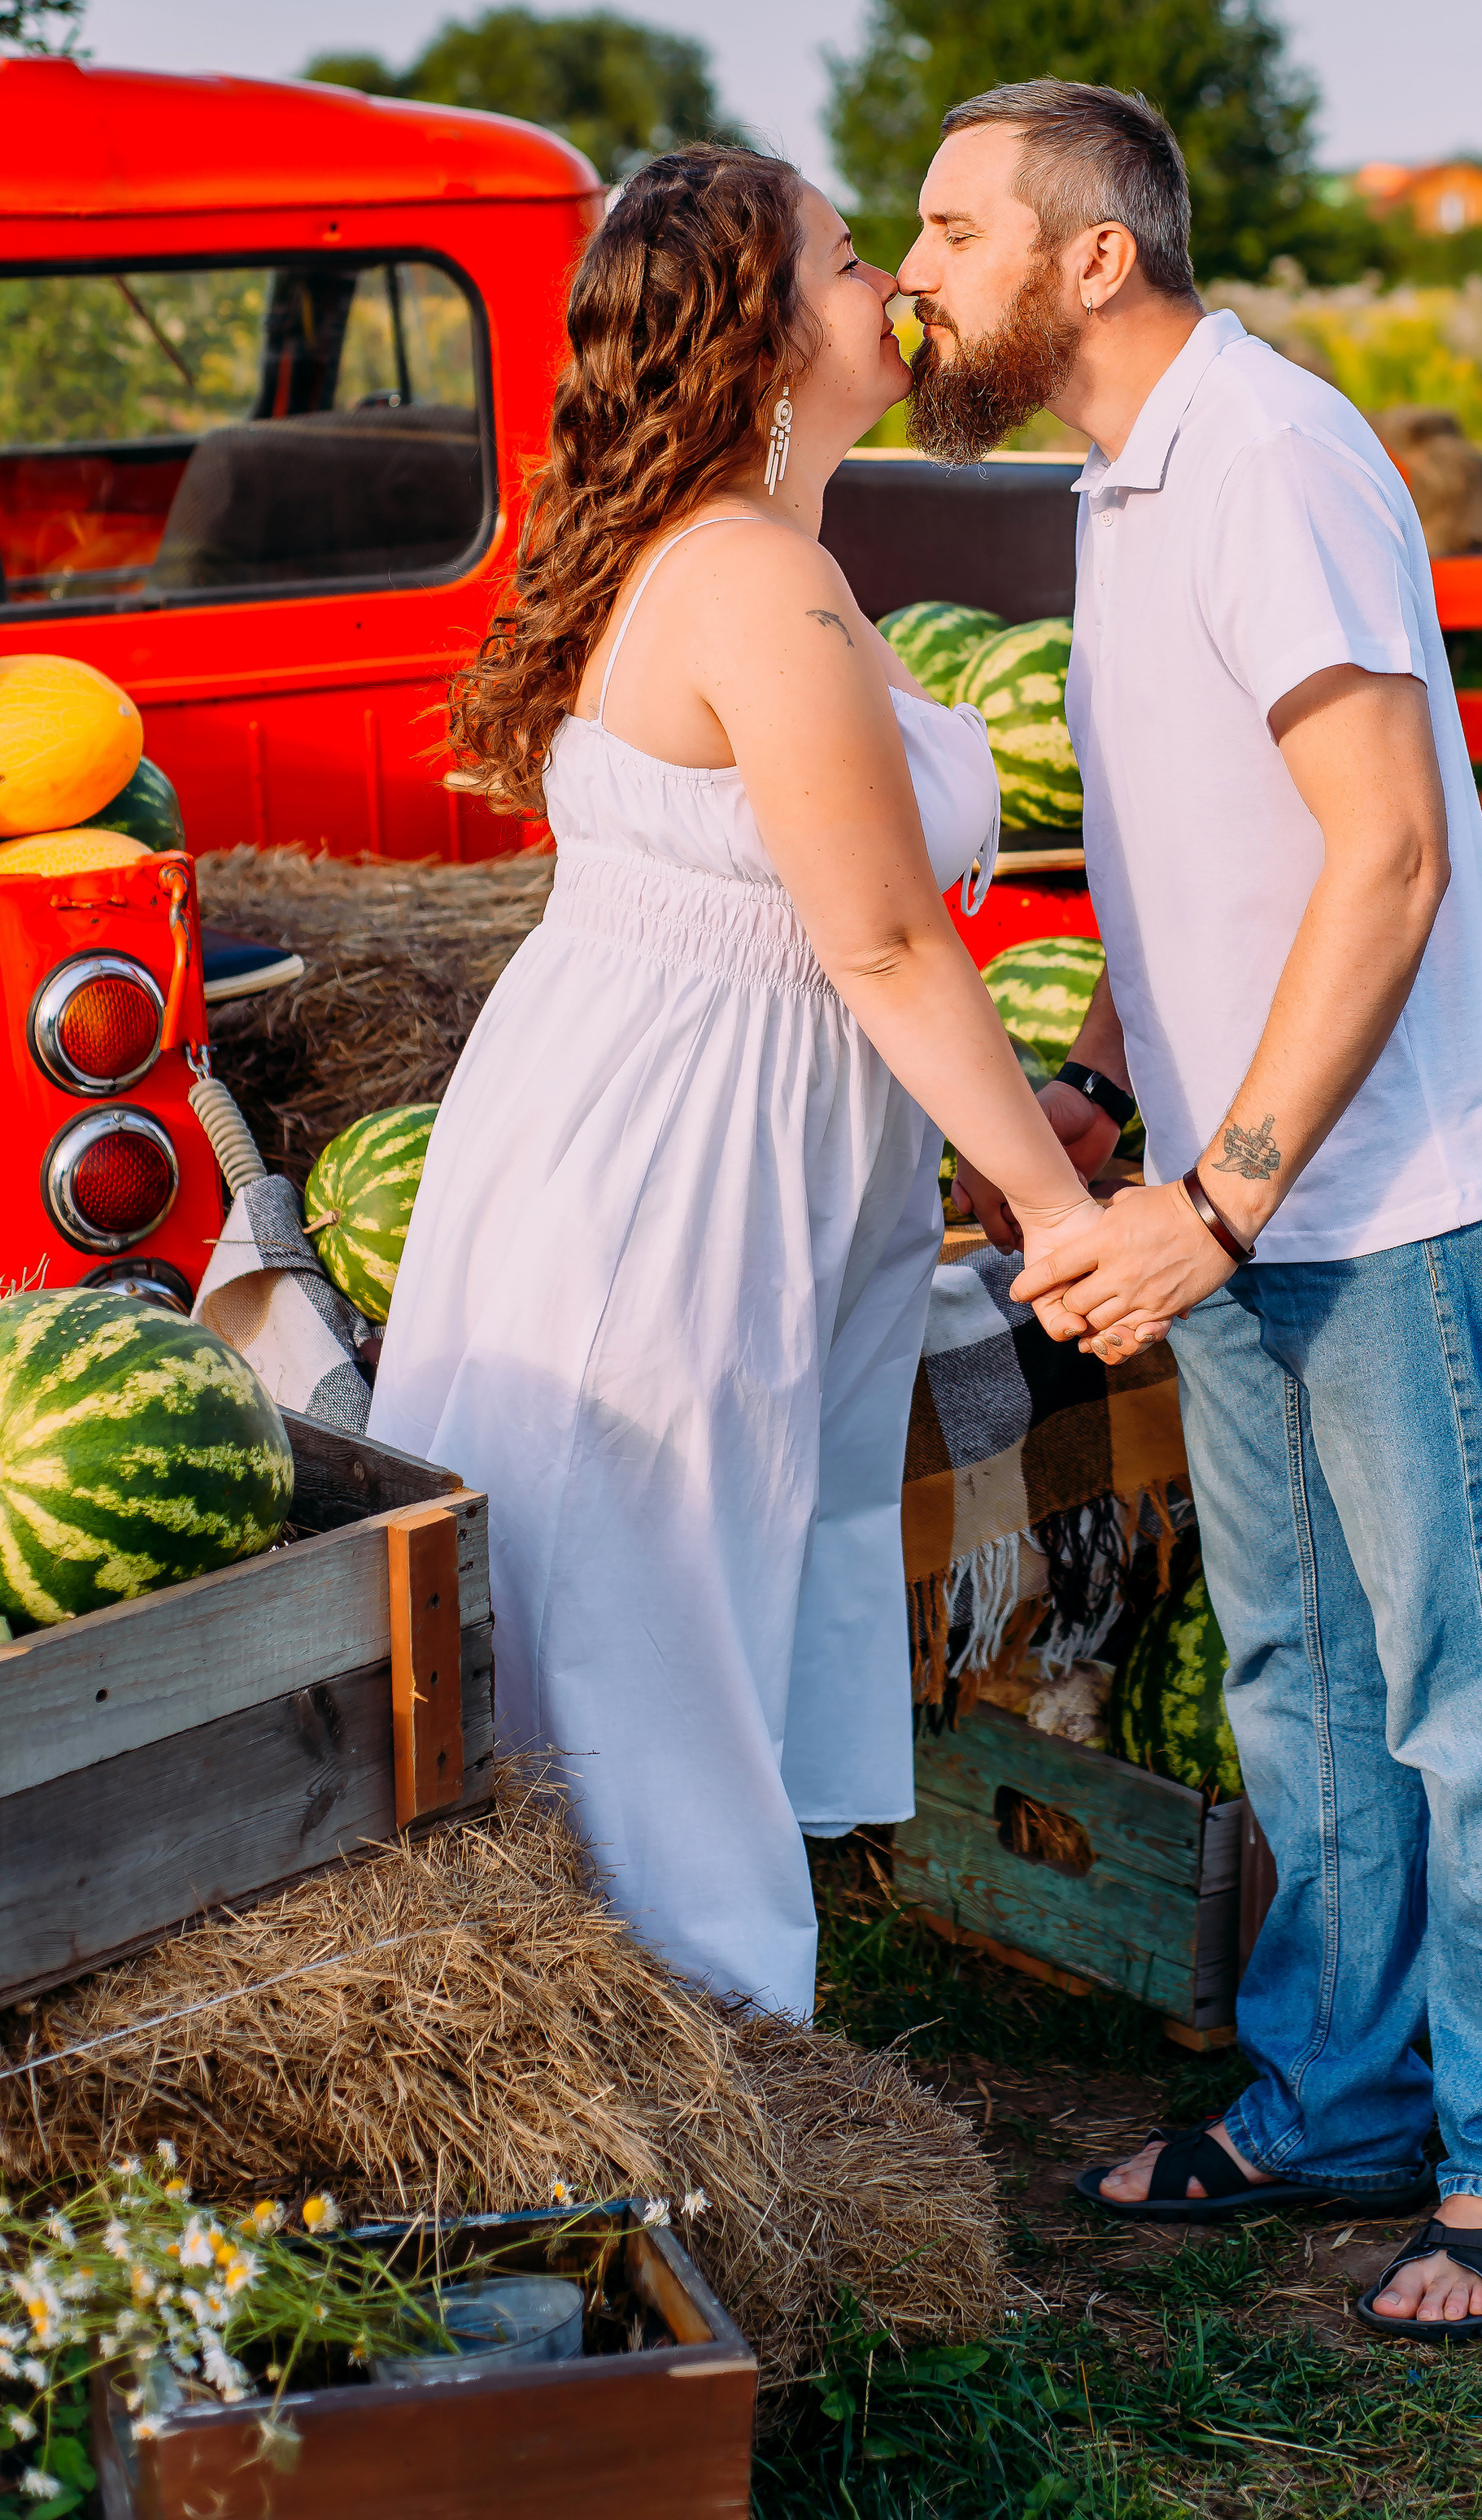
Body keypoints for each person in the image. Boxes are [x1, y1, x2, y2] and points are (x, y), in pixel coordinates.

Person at [906, 81, 1482, 2339]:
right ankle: (1331, 2090)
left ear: (1091, 258)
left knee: (1465, 1684)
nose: (909, 268)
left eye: (946, 227)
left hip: (1371, 1187)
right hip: (1228, 1184)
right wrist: (1120, 1089)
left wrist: (1221, 1188)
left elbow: (1386, 851)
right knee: (1299, 1670)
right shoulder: (1120, 479)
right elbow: (1173, 854)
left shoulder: (1278, 457)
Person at [368, 146, 1100, 2022]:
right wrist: (1054, 1200)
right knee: (645, 1605)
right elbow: (876, 942)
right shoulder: (754, 579)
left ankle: (637, 2016)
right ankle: (706, 2068)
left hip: (667, 1104)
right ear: (768, 340)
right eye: (852, 263)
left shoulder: (730, 548)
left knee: (647, 1586)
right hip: (673, 1156)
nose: (892, 290)